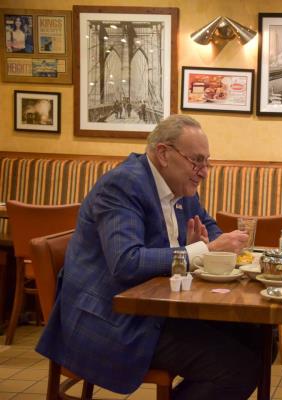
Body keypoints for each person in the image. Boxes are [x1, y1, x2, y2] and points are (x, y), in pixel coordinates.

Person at [36, 114, 262, 400]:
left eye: (207, 162)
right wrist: (204, 251)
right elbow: (126, 263)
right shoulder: (123, 185)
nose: (204, 171)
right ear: (164, 153)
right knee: (234, 368)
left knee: (255, 336)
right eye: (197, 161)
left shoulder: (182, 186)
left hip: (157, 305)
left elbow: (210, 228)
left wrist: (208, 245)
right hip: (112, 319)